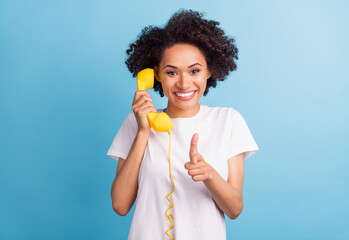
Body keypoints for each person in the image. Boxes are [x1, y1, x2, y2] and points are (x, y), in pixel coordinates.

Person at [107, 9, 259, 240]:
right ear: (156, 74)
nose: (184, 83)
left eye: (194, 71)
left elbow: (235, 209)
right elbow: (120, 205)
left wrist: (210, 175)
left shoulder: (228, 121)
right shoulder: (135, 123)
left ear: (209, 70)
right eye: (171, 73)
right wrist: (143, 132)